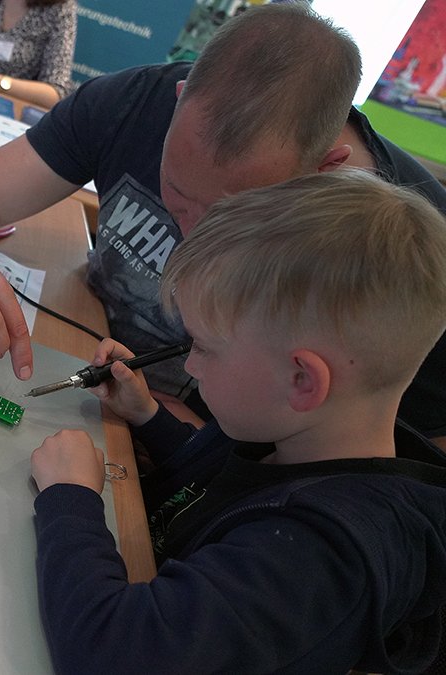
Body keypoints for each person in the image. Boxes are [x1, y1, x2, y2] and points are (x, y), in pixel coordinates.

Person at [0, 3, 446, 444]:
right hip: (92, 385)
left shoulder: (406, 254)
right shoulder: (132, 101)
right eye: (181, 198)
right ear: (179, 100)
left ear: (328, 167)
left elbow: (383, 472)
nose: (193, 238)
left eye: (230, 217)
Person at [30, 170, 446, 672]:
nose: (189, 366)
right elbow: (224, 490)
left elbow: (113, 654)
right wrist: (150, 418)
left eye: (203, 347)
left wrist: (70, 500)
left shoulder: (323, 560)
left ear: (302, 381)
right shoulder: (293, 435)